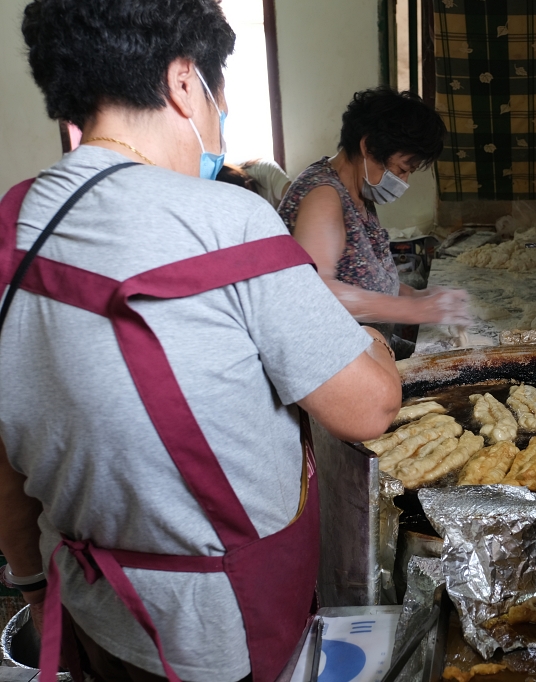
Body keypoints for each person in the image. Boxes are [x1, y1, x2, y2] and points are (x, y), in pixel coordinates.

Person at [0, 2, 401, 681]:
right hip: (221, 637)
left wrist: (34, 589)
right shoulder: (227, 221)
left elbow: (6, 465)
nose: (218, 120)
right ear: (186, 83)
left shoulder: (9, 225)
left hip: (93, 614)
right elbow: (368, 408)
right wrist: (369, 339)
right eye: (221, 99)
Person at [278, 87, 472, 337]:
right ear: (368, 147)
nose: (404, 180)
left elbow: (359, 276)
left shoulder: (359, 192)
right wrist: (413, 310)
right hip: (329, 360)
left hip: (370, 346)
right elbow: (316, 291)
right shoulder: (323, 197)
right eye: (403, 168)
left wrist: (415, 295)